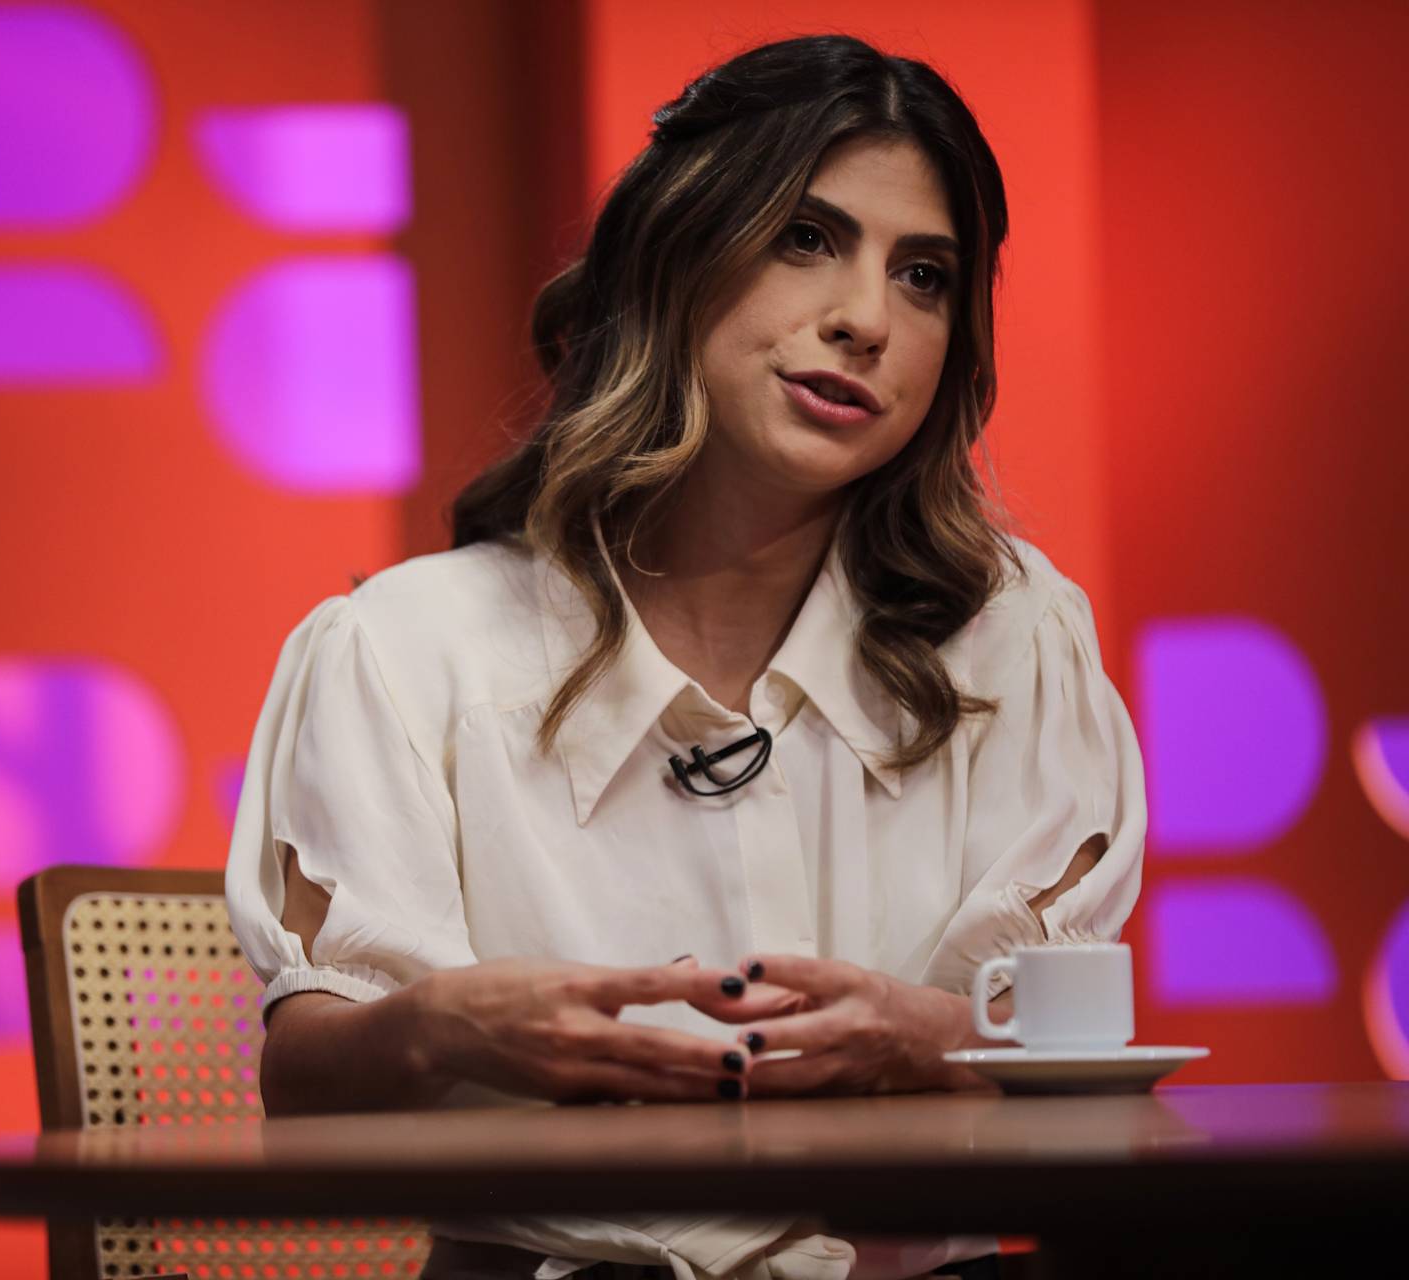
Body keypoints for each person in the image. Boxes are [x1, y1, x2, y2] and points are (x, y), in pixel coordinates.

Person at [222, 32, 1144, 1280]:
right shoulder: (402, 648)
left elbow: (1081, 1076)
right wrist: (452, 1024)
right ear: (677, 250)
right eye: (805, 238)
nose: (866, 320)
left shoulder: (1016, 639)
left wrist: (923, 1036)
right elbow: (304, 1084)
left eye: (924, 276)